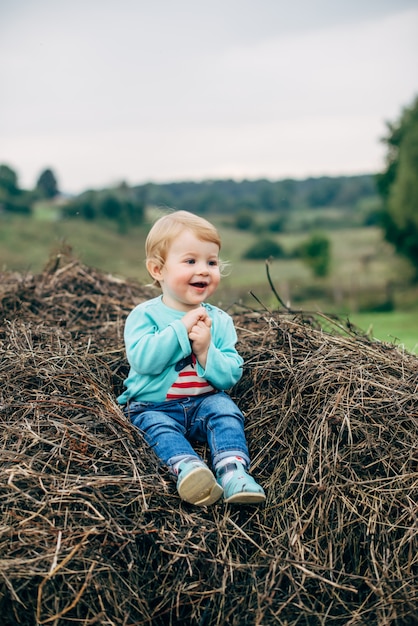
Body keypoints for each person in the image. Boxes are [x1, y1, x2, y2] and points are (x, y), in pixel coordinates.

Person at [118, 210, 265, 506]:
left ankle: (232, 471)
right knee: (155, 428)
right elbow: (144, 361)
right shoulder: (145, 316)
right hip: (155, 405)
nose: (204, 270)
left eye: (212, 262)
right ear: (158, 270)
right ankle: (189, 469)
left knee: (226, 411)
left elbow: (231, 375)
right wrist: (181, 330)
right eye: (190, 261)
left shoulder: (219, 320)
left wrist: (206, 351)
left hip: (203, 402)